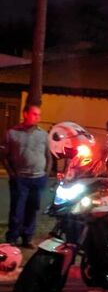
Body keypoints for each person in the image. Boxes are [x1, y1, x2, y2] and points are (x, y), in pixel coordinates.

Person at [1, 104, 50, 249]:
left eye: (39, 114)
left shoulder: (43, 135)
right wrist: (11, 173)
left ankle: (27, 238)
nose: (38, 117)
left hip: (38, 179)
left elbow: (49, 156)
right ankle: (12, 238)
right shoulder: (12, 133)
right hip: (20, 179)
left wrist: (46, 174)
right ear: (25, 114)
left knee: (32, 209)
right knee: (17, 209)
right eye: (35, 114)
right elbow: (3, 156)